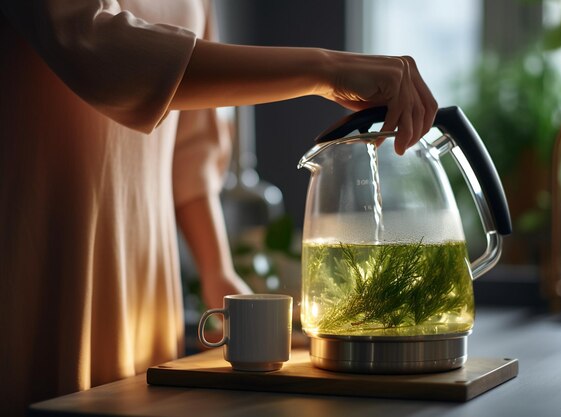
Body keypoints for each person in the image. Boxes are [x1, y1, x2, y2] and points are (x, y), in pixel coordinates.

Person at [0, 1, 438, 415]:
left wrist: (217, 269)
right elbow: (94, 43)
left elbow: (191, 152)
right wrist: (327, 69)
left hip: (146, 283)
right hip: (43, 259)